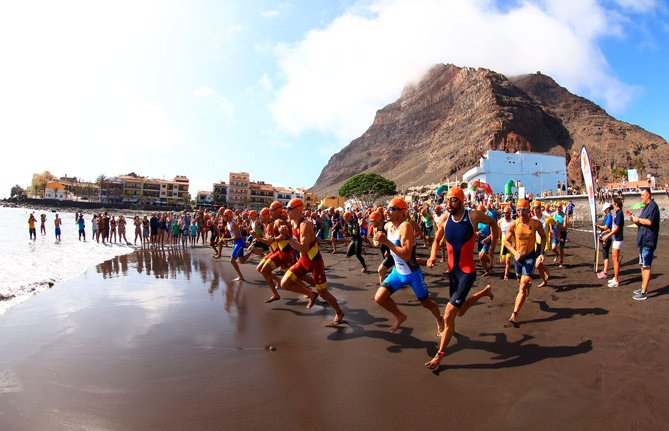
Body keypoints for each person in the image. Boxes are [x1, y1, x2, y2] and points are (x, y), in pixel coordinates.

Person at [424, 188, 498, 369]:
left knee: (449, 314)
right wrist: (433, 255)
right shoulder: (444, 219)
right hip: (453, 273)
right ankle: (484, 292)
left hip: (467, 272)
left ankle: (439, 355)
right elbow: (436, 239)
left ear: (462, 201)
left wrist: (491, 250)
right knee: (460, 310)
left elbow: (494, 224)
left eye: (453, 200)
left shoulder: (473, 216)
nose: (449, 204)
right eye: (447, 200)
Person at [373, 197, 444, 337]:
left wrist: (386, 242)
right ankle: (400, 316)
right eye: (387, 208)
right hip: (397, 272)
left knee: (426, 303)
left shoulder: (405, 227)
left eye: (392, 209)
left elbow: (406, 255)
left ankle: (440, 319)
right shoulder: (388, 226)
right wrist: (377, 240)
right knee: (379, 298)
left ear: (401, 212)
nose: (387, 211)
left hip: (412, 274)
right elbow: (378, 234)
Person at [281, 198, 345, 325]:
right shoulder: (291, 222)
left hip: (315, 262)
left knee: (323, 292)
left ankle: (339, 312)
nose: (286, 212)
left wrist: (287, 237)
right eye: (286, 209)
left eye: (289, 209)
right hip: (302, 261)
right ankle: (311, 294)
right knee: (285, 283)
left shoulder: (306, 224)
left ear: (298, 210)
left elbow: (304, 249)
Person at [503, 198, 546, 325]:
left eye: (523, 210)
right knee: (519, 281)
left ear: (528, 210)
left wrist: (542, 253)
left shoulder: (536, 224)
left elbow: (543, 237)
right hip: (518, 258)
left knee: (522, 285)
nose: (521, 213)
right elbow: (506, 241)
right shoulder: (514, 224)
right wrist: (514, 252)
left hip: (530, 256)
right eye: (518, 210)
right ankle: (527, 284)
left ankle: (514, 314)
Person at [629, 188, 660, 300]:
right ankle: (643, 287)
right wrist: (635, 220)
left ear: (648, 195)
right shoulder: (646, 207)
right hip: (643, 239)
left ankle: (644, 292)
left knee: (646, 266)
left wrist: (638, 219)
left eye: (642, 195)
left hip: (648, 240)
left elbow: (649, 222)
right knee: (642, 265)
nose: (641, 197)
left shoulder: (653, 206)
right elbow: (642, 222)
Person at [222, 209, 246, 281]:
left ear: (229, 216)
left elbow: (238, 236)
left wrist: (228, 240)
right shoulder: (228, 223)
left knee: (232, 261)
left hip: (239, 243)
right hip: (236, 243)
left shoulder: (233, 224)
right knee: (241, 261)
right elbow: (233, 234)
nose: (223, 217)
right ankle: (251, 251)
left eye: (225, 216)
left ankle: (240, 276)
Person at [596, 203, 613, 280]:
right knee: (604, 254)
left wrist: (598, 226)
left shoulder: (609, 216)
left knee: (605, 254)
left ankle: (605, 272)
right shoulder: (607, 216)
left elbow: (607, 227)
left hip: (607, 238)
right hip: (604, 236)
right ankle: (604, 271)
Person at [498, 206, 513, 280]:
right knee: (502, 261)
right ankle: (509, 265)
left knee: (507, 259)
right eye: (504, 213)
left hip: (510, 242)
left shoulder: (513, 222)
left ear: (510, 213)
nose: (505, 214)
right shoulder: (500, 221)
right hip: (504, 243)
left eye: (507, 213)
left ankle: (506, 275)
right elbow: (499, 230)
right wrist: (499, 238)